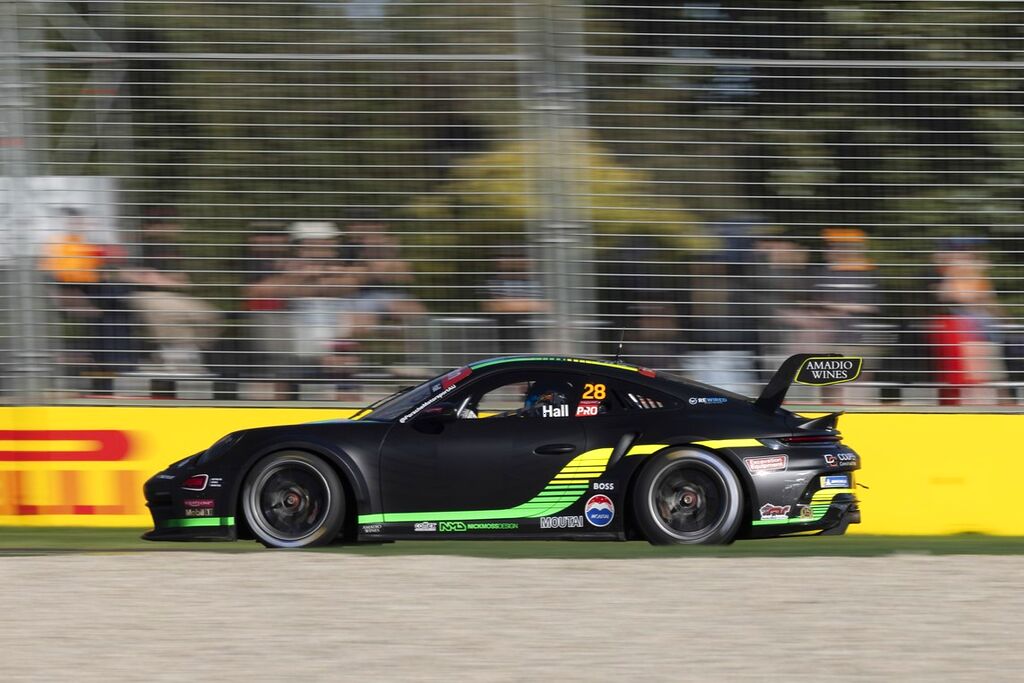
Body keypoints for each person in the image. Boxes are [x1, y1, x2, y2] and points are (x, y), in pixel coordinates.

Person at [122, 207, 222, 374]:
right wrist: (167, 281)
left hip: (167, 294)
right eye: (173, 223)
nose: (178, 228)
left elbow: (178, 277)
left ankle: (178, 357)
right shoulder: (138, 245)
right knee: (172, 315)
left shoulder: (170, 247)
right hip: (145, 295)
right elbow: (140, 275)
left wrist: (172, 280)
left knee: (210, 316)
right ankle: (174, 359)